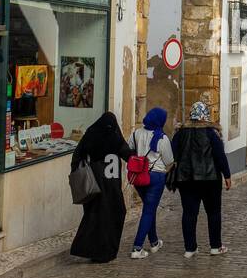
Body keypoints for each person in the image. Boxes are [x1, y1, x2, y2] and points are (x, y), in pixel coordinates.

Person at [168, 100, 231, 256]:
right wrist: (227, 175)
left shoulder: (180, 133)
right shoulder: (211, 133)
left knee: (189, 213)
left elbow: (172, 153)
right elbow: (220, 156)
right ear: (206, 116)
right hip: (210, 179)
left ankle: (190, 248)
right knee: (214, 213)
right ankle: (215, 246)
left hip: (186, 179)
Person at [69, 111, 132, 263]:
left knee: (95, 217)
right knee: (114, 214)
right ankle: (107, 251)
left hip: (94, 186)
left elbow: (77, 156)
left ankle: (94, 251)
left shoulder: (91, 135)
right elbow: (128, 154)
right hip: (111, 187)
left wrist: (76, 172)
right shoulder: (115, 137)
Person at [128, 106, 174, 258]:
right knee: (148, 210)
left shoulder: (136, 133)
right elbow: (169, 161)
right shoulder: (162, 138)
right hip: (155, 177)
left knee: (150, 207)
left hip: (139, 177)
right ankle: (137, 247)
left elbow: (130, 150)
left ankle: (154, 242)